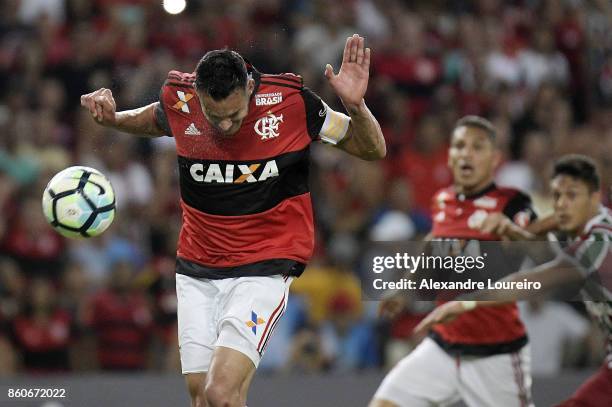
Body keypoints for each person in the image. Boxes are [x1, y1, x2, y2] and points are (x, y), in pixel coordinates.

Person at [80, 34, 385, 407]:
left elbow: (372, 149)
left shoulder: (292, 103)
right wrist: (113, 120)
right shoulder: (182, 97)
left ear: (250, 86)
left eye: (235, 115)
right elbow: (157, 119)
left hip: (263, 267)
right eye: (215, 116)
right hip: (197, 269)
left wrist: (356, 107)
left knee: (220, 391)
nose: (225, 127)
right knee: (202, 397)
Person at [414, 155, 612, 406]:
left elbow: (528, 282)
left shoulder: (595, 247)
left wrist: (465, 303)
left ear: (594, 197)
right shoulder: (597, 219)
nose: (562, 205)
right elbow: (552, 223)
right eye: (557, 196)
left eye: (571, 196)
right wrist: (517, 231)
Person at [370, 116, 538, 407]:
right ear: (450, 156)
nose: (467, 153)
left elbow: (537, 248)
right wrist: (405, 287)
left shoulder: (512, 203)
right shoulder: (443, 200)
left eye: (477, 146)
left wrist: (514, 234)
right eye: (460, 146)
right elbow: (434, 245)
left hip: (495, 352)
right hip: (444, 347)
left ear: (495, 158)